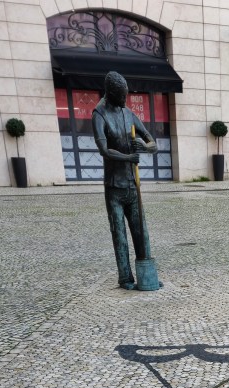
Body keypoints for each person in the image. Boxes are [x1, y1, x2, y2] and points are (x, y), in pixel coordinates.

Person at [92, 71, 157, 289]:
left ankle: (147, 275)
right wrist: (129, 157)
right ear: (110, 94)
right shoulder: (99, 115)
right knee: (119, 234)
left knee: (141, 232)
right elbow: (104, 150)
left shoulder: (129, 114)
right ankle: (125, 277)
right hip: (114, 187)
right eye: (121, 96)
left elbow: (153, 144)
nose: (125, 100)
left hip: (133, 185)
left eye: (126, 95)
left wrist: (145, 146)